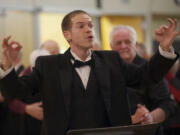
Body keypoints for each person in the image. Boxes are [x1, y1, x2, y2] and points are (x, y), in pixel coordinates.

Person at [0, 10, 180, 135]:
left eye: (91, 25)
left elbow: (145, 77)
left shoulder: (112, 60)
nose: (88, 29)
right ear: (67, 35)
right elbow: (16, 92)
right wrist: (8, 66)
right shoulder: (48, 65)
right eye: (81, 26)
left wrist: (163, 48)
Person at [110, 25, 175, 125]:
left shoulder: (148, 70)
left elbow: (167, 104)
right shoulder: (106, 71)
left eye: (127, 42)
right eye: (118, 43)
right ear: (111, 46)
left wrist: (149, 118)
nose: (123, 46)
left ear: (136, 45)